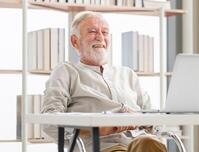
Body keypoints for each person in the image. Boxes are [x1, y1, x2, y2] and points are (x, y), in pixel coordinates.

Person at [41, 11, 167, 152]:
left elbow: (157, 124)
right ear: (75, 41)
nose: (100, 37)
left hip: (140, 143)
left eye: (105, 32)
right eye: (93, 32)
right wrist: (93, 128)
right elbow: (49, 122)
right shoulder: (66, 71)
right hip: (102, 147)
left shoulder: (128, 74)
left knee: (148, 142)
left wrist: (139, 119)